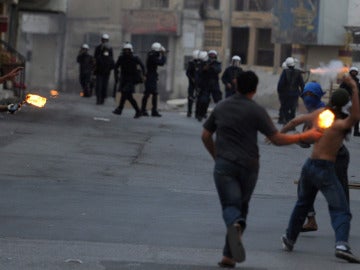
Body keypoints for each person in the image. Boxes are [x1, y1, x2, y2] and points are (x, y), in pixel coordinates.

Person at [201, 70, 322, 268]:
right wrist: (301, 137)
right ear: (255, 90)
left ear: (236, 85)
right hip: (249, 167)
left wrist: (217, 157)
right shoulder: (256, 110)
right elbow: (277, 139)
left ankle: (232, 241)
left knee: (231, 208)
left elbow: (205, 136)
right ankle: (228, 256)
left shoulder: (221, 107)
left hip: (225, 165)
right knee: (242, 208)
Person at [281, 76, 360, 263]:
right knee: (341, 209)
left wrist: (277, 135)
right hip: (325, 168)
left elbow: (295, 122)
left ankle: (289, 239)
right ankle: (341, 244)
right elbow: (356, 116)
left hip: (309, 166)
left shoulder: (320, 114)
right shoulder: (341, 123)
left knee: (302, 204)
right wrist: (355, 89)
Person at [112, 42, 144, 119]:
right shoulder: (121, 58)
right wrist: (116, 77)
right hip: (124, 79)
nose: (126, 51)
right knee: (128, 96)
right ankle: (138, 111)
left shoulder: (135, 58)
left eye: (128, 50)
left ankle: (120, 109)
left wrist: (144, 75)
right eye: (125, 50)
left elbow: (142, 66)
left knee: (125, 92)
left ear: (131, 50)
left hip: (132, 79)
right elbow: (116, 67)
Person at [140, 42, 167, 117]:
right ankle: (150, 110)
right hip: (150, 77)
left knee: (150, 93)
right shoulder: (152, 56)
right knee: (150, 93)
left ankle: (146, 110)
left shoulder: (151, 55)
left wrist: (160, 53)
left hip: (151, 76)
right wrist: (164, 55)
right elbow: (161, 63)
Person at [196, 50, 222, 122]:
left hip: (214, 85)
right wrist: (204, 69)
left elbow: (218, 70)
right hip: (205, 84)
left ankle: (219, 116)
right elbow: (199, 72)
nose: (212, 57)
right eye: (211, 55)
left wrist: (211, 67)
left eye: (213, 56)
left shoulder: (217, 63)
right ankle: (201, 114)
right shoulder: (203, 63)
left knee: (218, 100)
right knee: (203, 100)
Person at [277, 57, 305, 124]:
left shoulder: (285, 72)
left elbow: (280, 84)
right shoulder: (298, 72)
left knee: (285, 108)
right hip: (295, 94)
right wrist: (302, 93)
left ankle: (285, 121)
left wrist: (280, 92)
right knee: (293, 108)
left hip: (286, 94)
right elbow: (302, 84)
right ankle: (292, 122)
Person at [94, 33, 114, 105]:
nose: (104, 41)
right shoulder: (98, 48)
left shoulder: (109, 49)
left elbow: (111, 59)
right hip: (99, 70)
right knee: (98, 85)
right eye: (103, 40)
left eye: (106, 40)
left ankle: (102, 98)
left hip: (106, 70)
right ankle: (98, 99)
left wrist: (111, 67)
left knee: (104, 85)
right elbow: (95, 58)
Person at [340, 66, 360, 136]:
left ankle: (356, 131)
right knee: (345, 115)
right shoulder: (347, 80)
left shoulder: (357, 81)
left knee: (357, 116)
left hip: (355, 100)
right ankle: (345, 130)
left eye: (355, 71)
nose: (354, 73)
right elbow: (341, 88)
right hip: (347, 100)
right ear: (350, 72)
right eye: (353, 71)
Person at [185, 49, 202, 117]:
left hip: (199, 83)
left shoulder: (202, 63)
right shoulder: (191, 63)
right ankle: (189, 112)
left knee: (199, 97)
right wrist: (192, 79)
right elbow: (188, 73)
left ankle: (197, 113)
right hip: (192, 83)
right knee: (190, 97)